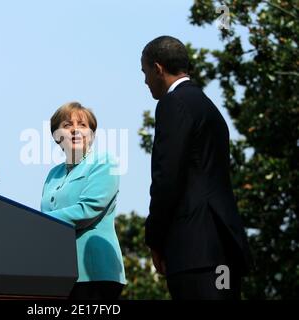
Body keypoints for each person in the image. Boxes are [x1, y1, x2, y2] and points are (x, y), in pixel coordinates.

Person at [141, 36, 252, 300]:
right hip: (223, 248)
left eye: (144, 72)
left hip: (194, 251)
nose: (145, 81)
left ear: (158, 69)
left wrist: (154, 238)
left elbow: (167, 178)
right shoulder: (208, 107)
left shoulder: (172, 103)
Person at [41, 102, 126, 300]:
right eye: (68, 125)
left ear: (92, 135)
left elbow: (88, 209)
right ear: (56, 135)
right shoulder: (52, 174)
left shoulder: (104, 162)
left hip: (94, 273)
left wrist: (38, 221)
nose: (75, 130)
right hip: (59, 273)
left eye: (82, 125)